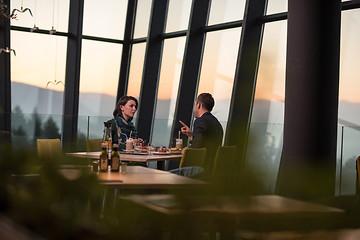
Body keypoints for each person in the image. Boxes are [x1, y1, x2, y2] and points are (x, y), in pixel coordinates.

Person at [180, 93, 223, 173]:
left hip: (200, 169)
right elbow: (205, 140)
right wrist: (192, 134)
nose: (194, 108)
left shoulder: (200, 121)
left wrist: (187, 151)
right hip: (211, 168)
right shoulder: (216, 122)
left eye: (195, 105)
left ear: (198, 105)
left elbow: (197, 148)